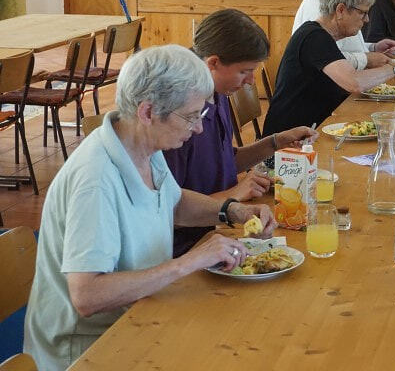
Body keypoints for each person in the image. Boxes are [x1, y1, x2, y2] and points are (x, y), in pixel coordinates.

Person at [24, 45, 277, 371]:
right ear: (147, 112)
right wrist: (189, 262)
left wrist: (232, 211)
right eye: (191, 117)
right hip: (90, 348)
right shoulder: (95, 181)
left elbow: (172, 201)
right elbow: (87, 296)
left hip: (144, 310)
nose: (198, 128)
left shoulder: (141, 143)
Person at [163, 9, 317, 257]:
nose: (251, 81)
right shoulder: (178, 118)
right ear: (213, 63)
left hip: (220, 229)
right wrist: (231, 198)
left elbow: (224, 161)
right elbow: (166, 213)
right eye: (244, 71)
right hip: (187, 248)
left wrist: (276, 142)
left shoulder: (217, 94)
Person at [262, 0, 395, 136]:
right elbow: (354, 82)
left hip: (312, 132)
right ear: (341, 10)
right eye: (363, 13)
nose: (366, 20)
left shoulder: (321, 35)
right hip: (290, 143)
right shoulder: (314, 38)